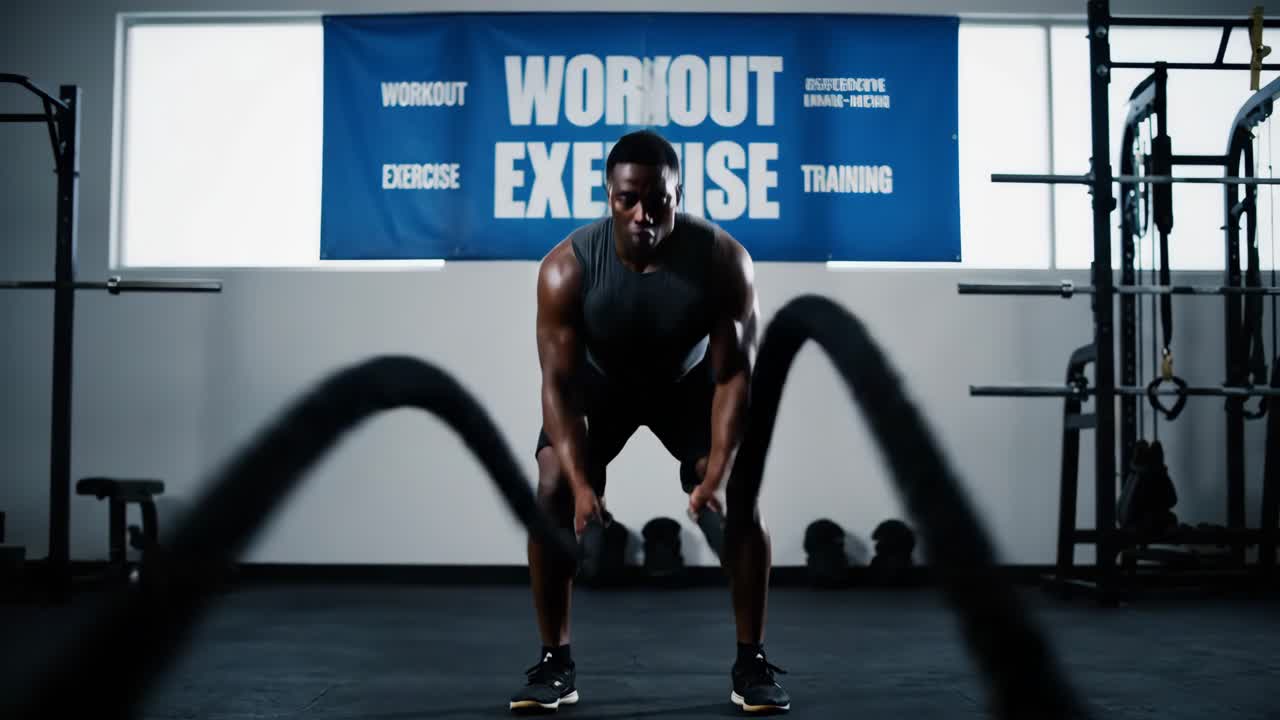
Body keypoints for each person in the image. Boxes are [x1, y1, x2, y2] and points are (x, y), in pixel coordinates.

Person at [510, 129, 790, 714]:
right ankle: (555, 662)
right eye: (628, 199)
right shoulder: (566, 269)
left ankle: (752, 661)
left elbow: (734, 377)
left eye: (658, 200)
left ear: (678, 195)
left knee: (740, 494)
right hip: (600, 388)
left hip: (687, 387)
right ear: (609, 196)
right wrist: (582, 486)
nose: (643, 214)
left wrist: (717, 476)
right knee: (552, 488)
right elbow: (559, 386)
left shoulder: (722, 261)